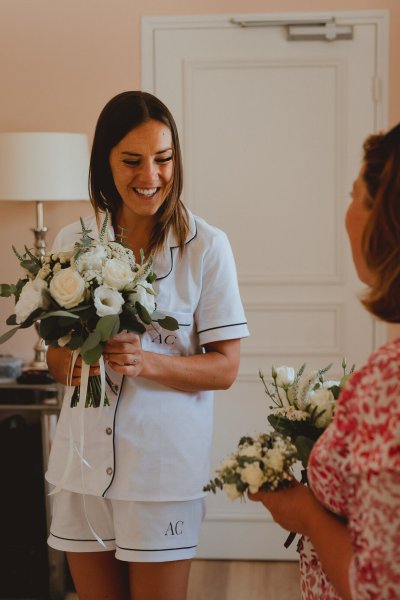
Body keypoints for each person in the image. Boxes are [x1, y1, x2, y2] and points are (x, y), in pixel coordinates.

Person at [45, 91, 249, 600]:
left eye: (163, 160)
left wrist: (147, 363)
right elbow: (53, 358)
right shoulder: (72, 241)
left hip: (162, 473)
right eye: (132, 162)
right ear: (104, 163)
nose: (151, 177)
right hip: (82, 467)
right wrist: (80, 359)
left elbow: (225, 369)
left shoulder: (207, 247)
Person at [250, 123, 400, 599]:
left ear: (384, 217)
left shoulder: (388, 381)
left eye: (355, 195)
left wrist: (305, 513)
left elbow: (378, 587)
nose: (347, 212)